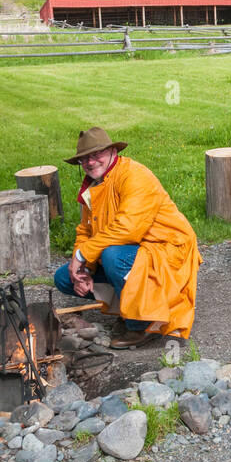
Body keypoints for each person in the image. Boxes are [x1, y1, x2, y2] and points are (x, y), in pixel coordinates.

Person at [52, 127, 201, 349]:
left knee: (113, 257)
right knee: (65, 277)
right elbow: (85, 231)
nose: (90, 162)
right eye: (84, 159)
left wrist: (83, 255)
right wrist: (83, 269)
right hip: (131, 251)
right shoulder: (94, 185)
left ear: (112, 151)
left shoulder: (134, 175)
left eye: (96, 155)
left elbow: (129, 229)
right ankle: (129, 308)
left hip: (167, 249)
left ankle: (141, 324)